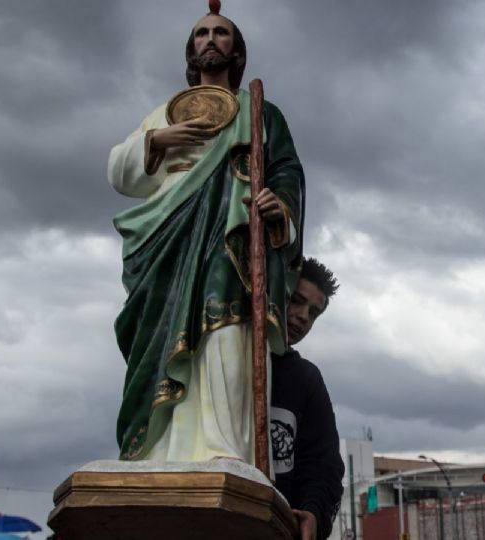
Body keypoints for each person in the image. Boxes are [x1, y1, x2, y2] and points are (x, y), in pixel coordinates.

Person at [107, 0, 305, 463]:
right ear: (191, 51)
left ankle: (224, 450)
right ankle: (159, 451)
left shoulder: (259, 113)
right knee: (162, 338)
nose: (210, 39)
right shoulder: (163, 114)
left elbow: (287, 170)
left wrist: (280, 209)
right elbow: (118, 171)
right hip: (169, 246)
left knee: (225, 333)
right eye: (201, 33)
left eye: (220, 33)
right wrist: (156, 142)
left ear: (236, 51)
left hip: (231, 238)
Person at [270, 258, 345, 540]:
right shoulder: (218, 358)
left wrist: (313, 512)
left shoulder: (306, 379)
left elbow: (323, 464)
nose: (302, 316)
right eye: (296, 300)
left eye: (313, 313)